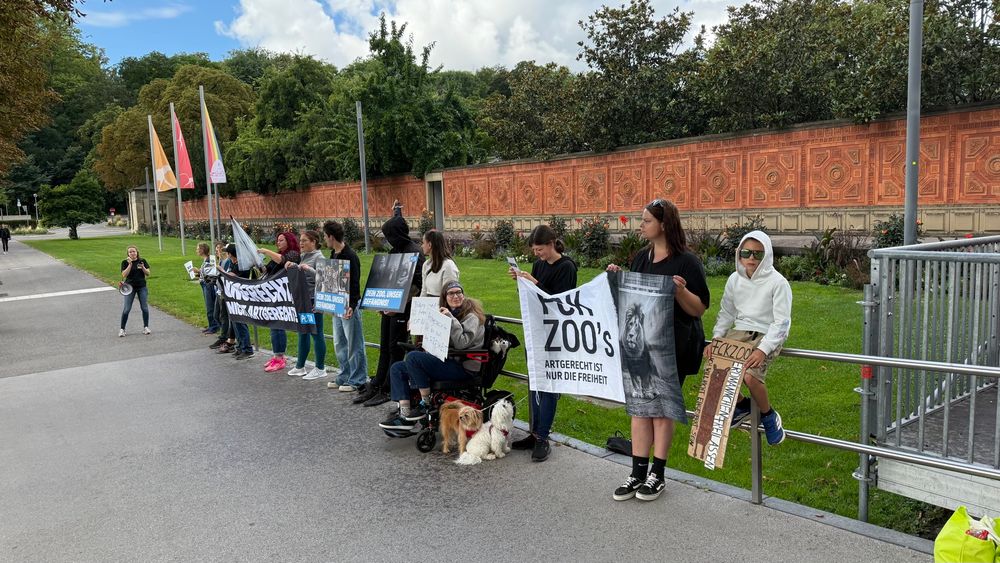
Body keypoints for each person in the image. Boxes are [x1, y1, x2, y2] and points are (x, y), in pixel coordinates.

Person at [607, 199, 710, 502]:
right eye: (642, 220)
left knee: (662, 410)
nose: (641, 225)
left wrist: (680, 291)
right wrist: (618, 279)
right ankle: (637, 472)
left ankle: (658, 474)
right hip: (640, 347)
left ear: (664, 225)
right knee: (640, 407)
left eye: (647, 221)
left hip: (674, 347)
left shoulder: (687, 262)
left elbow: (699, 308)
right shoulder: (642, 258)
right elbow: (633, 300)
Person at [706, 230, 791, 446]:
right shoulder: (734, 279)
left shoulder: (778, 283)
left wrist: (763, 349)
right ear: (739, 254)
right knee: (717, 372)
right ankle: (743, 406)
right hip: (740, 330)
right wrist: (717, 338)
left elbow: (782, 322)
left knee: (750, 376)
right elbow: (726, 312)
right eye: (746, 253)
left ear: (767, 255)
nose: (751, 258)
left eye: (758, 254)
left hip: (766, 333)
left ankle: (769, 415)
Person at [508, 224, 578, 462]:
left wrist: (534, 283)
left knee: (548, 385)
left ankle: (543, 437)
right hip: (536, 330)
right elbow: (531, 297)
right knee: (535, 382)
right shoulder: (538, 265)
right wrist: (522, 281)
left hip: (555, 333)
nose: (537, 254)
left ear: (551, 244)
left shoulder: (567, 267)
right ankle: (535, 431)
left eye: (540, 249)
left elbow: (562, 302)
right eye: (535, 250)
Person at [378, 281, 485, 431]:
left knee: (414, 358)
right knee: (398, 368)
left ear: (463, 294)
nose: (455, 296)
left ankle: (425, 403)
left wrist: (451, 319)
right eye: (451, 293)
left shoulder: (471, 317)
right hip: (447, 360)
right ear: (445, 297)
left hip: (463, 365)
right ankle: (405, 415)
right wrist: (418, 326)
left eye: (458, 292)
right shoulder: (443, 313)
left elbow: (462, 343)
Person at [355, 206, 424, 407]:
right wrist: (381, 302)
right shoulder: (396, 250)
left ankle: (388, 387)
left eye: (390, 235)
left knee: (395, 347)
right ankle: (378, 382)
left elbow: (418, 285)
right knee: (385, 345)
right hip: (391, 306)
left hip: (404, 308)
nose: (389, 240)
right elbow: (388, 277)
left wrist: (399, 304)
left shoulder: (415, 253)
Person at [323, 220, 369, 393]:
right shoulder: (333, 254)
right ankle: (344, 374)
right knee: (339, 342)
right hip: (337, 305)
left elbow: (355, 283)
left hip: (349, 306)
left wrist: (352, 305)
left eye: (325, 236)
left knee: (354, 343)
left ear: (331, 236)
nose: (324, 239)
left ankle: (357, 378)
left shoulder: (350, 255)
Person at [285, 230, 328, 380]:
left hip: (314, 301)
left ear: (314, 242)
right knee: (303, 332)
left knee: (316, 333)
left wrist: (308, 269)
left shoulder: (319, 257)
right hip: (303, 301)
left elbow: (324, 279)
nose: (301, 243)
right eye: (300, 241)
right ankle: (300, 366)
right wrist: (292, 266)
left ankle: (320, 368)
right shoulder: (302, 256)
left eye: (304, 241)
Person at [258, 232, 301, 372]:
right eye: (277, 240)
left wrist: (266, 251)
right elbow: (267, 269)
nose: (278, 243)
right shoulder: (277, 255)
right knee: (273, 326)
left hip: (283, 296)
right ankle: (276, 355)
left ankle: (280, 357)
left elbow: (282, 260)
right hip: (273, 295)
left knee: (278, 326)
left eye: (281, 240)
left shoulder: (293, 254)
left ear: (289, 241)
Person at [222, 244, 254, 360]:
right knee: (235, 322)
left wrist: (219, 270)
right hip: (232, 297)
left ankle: (247, 348)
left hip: (240, 297)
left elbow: (234, 277)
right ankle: (240, 346)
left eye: (228, 252)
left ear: (231, 254)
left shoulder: (241, 265)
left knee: (241, 322)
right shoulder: (233, 264)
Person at [119, 245, 151, 337]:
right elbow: (124, 275)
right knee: (127, 309)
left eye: (134, 251)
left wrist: (143, 267)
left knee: (144, 307)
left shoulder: (142, 261)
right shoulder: (125, 262)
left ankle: (146, 327)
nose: (132, 253)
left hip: (141, 287)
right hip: (129, 288)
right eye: (130, 252)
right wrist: (130, 265)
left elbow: (148, 273)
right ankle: (122, 329)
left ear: (137, 252)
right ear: (128, 254)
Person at [210, 242, 236, 351]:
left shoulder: (228, 262)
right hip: (220, 291)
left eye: (220, 249)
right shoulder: (222, 260)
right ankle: (225, 335)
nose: (217, 251)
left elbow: (226, 275)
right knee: (218, 315)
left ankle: (226, 337)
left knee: (224, 316)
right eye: (217, 249)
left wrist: (220, 270)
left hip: (225, 292)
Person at [419, 229, 459, 297]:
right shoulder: (426, 265)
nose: (422, 246)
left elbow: (450, 293)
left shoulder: (448, 266)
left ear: (429, 245)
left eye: (423, 243)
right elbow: (424, 291)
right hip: (428, 305)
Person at [194, 242, 220, 335]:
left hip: (209, 285)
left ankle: (214, 326)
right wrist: (198, 273)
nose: (197, 251)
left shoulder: (209, 259)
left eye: (198, 249)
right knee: (209, 306)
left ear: (202, 250)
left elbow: (212, 272)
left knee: (210, 306)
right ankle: (211, 325)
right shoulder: (206, 259)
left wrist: (199, 271)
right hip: (204, 284)